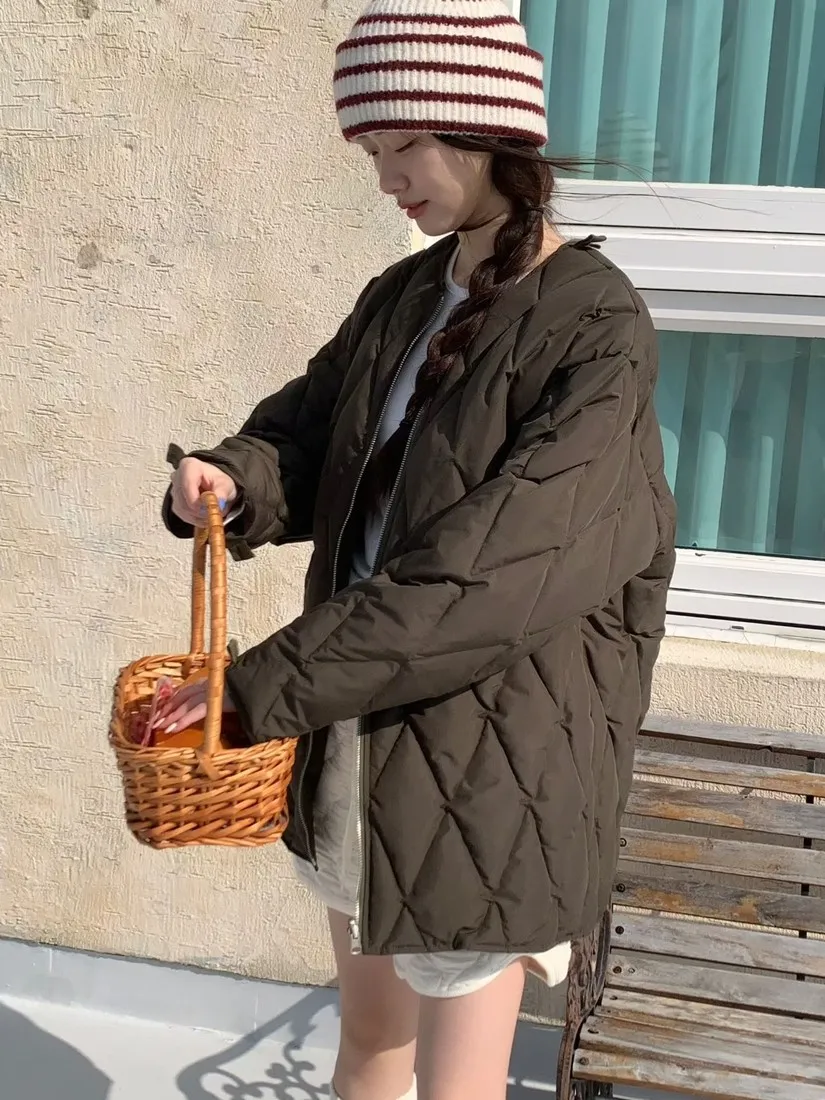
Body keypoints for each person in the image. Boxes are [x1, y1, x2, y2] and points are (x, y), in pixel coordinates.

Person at [156, 2, 676, 1098]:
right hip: (356, 735)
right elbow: (310, 431)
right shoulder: (405, 294)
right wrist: (234, 478)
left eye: (405, 144)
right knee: (369, 1044)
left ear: (487, 132)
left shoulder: (595, 325)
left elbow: (485, 579)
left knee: (455, 1084)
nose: (388, 177)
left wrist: (255, 692)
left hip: (491, 760)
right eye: (371, 152)